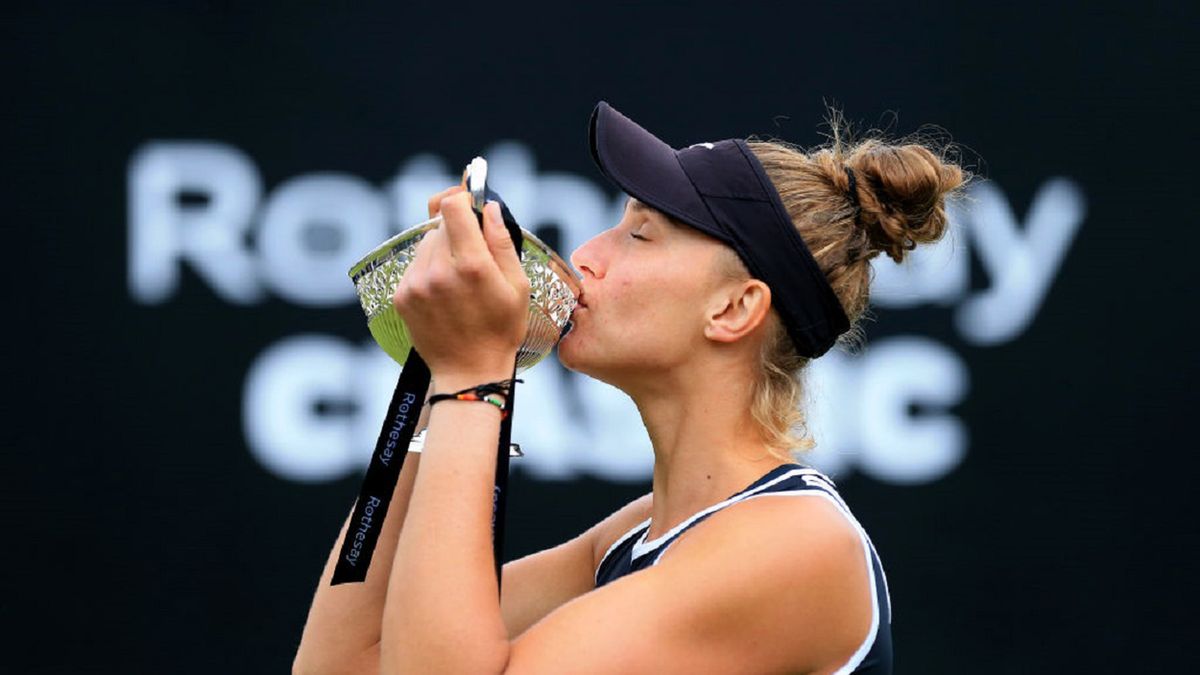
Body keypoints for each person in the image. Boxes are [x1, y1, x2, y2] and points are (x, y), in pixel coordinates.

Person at [293, 101, 965, 674]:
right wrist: (440, 375)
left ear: (733, 309)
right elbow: (345, 661)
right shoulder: (639, 535)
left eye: (640, 234)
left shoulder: (797, 542)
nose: (585, 254)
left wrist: (474, 375)